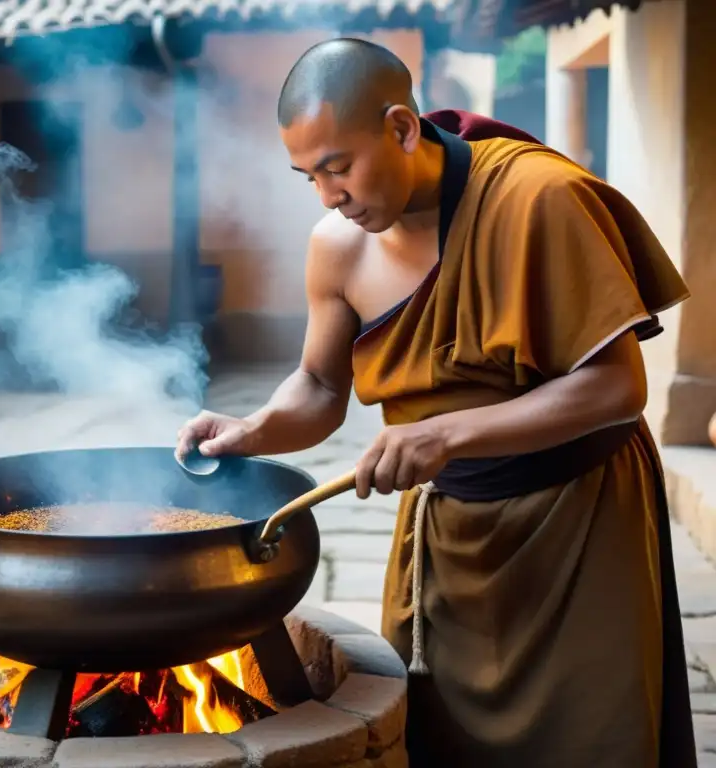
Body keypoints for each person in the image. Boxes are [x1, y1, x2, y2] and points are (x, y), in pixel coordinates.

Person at [176, 38, 696, 768]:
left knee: (590, 736)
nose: (328, 196)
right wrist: (253, 429)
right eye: (308, 177)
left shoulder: (537, 199)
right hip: (448, 531)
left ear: (401, 127)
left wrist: (446, 434)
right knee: (437, 735)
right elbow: (322, 388)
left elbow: (617, 387)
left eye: (338, 167)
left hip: (580, 520)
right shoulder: (336, 246)